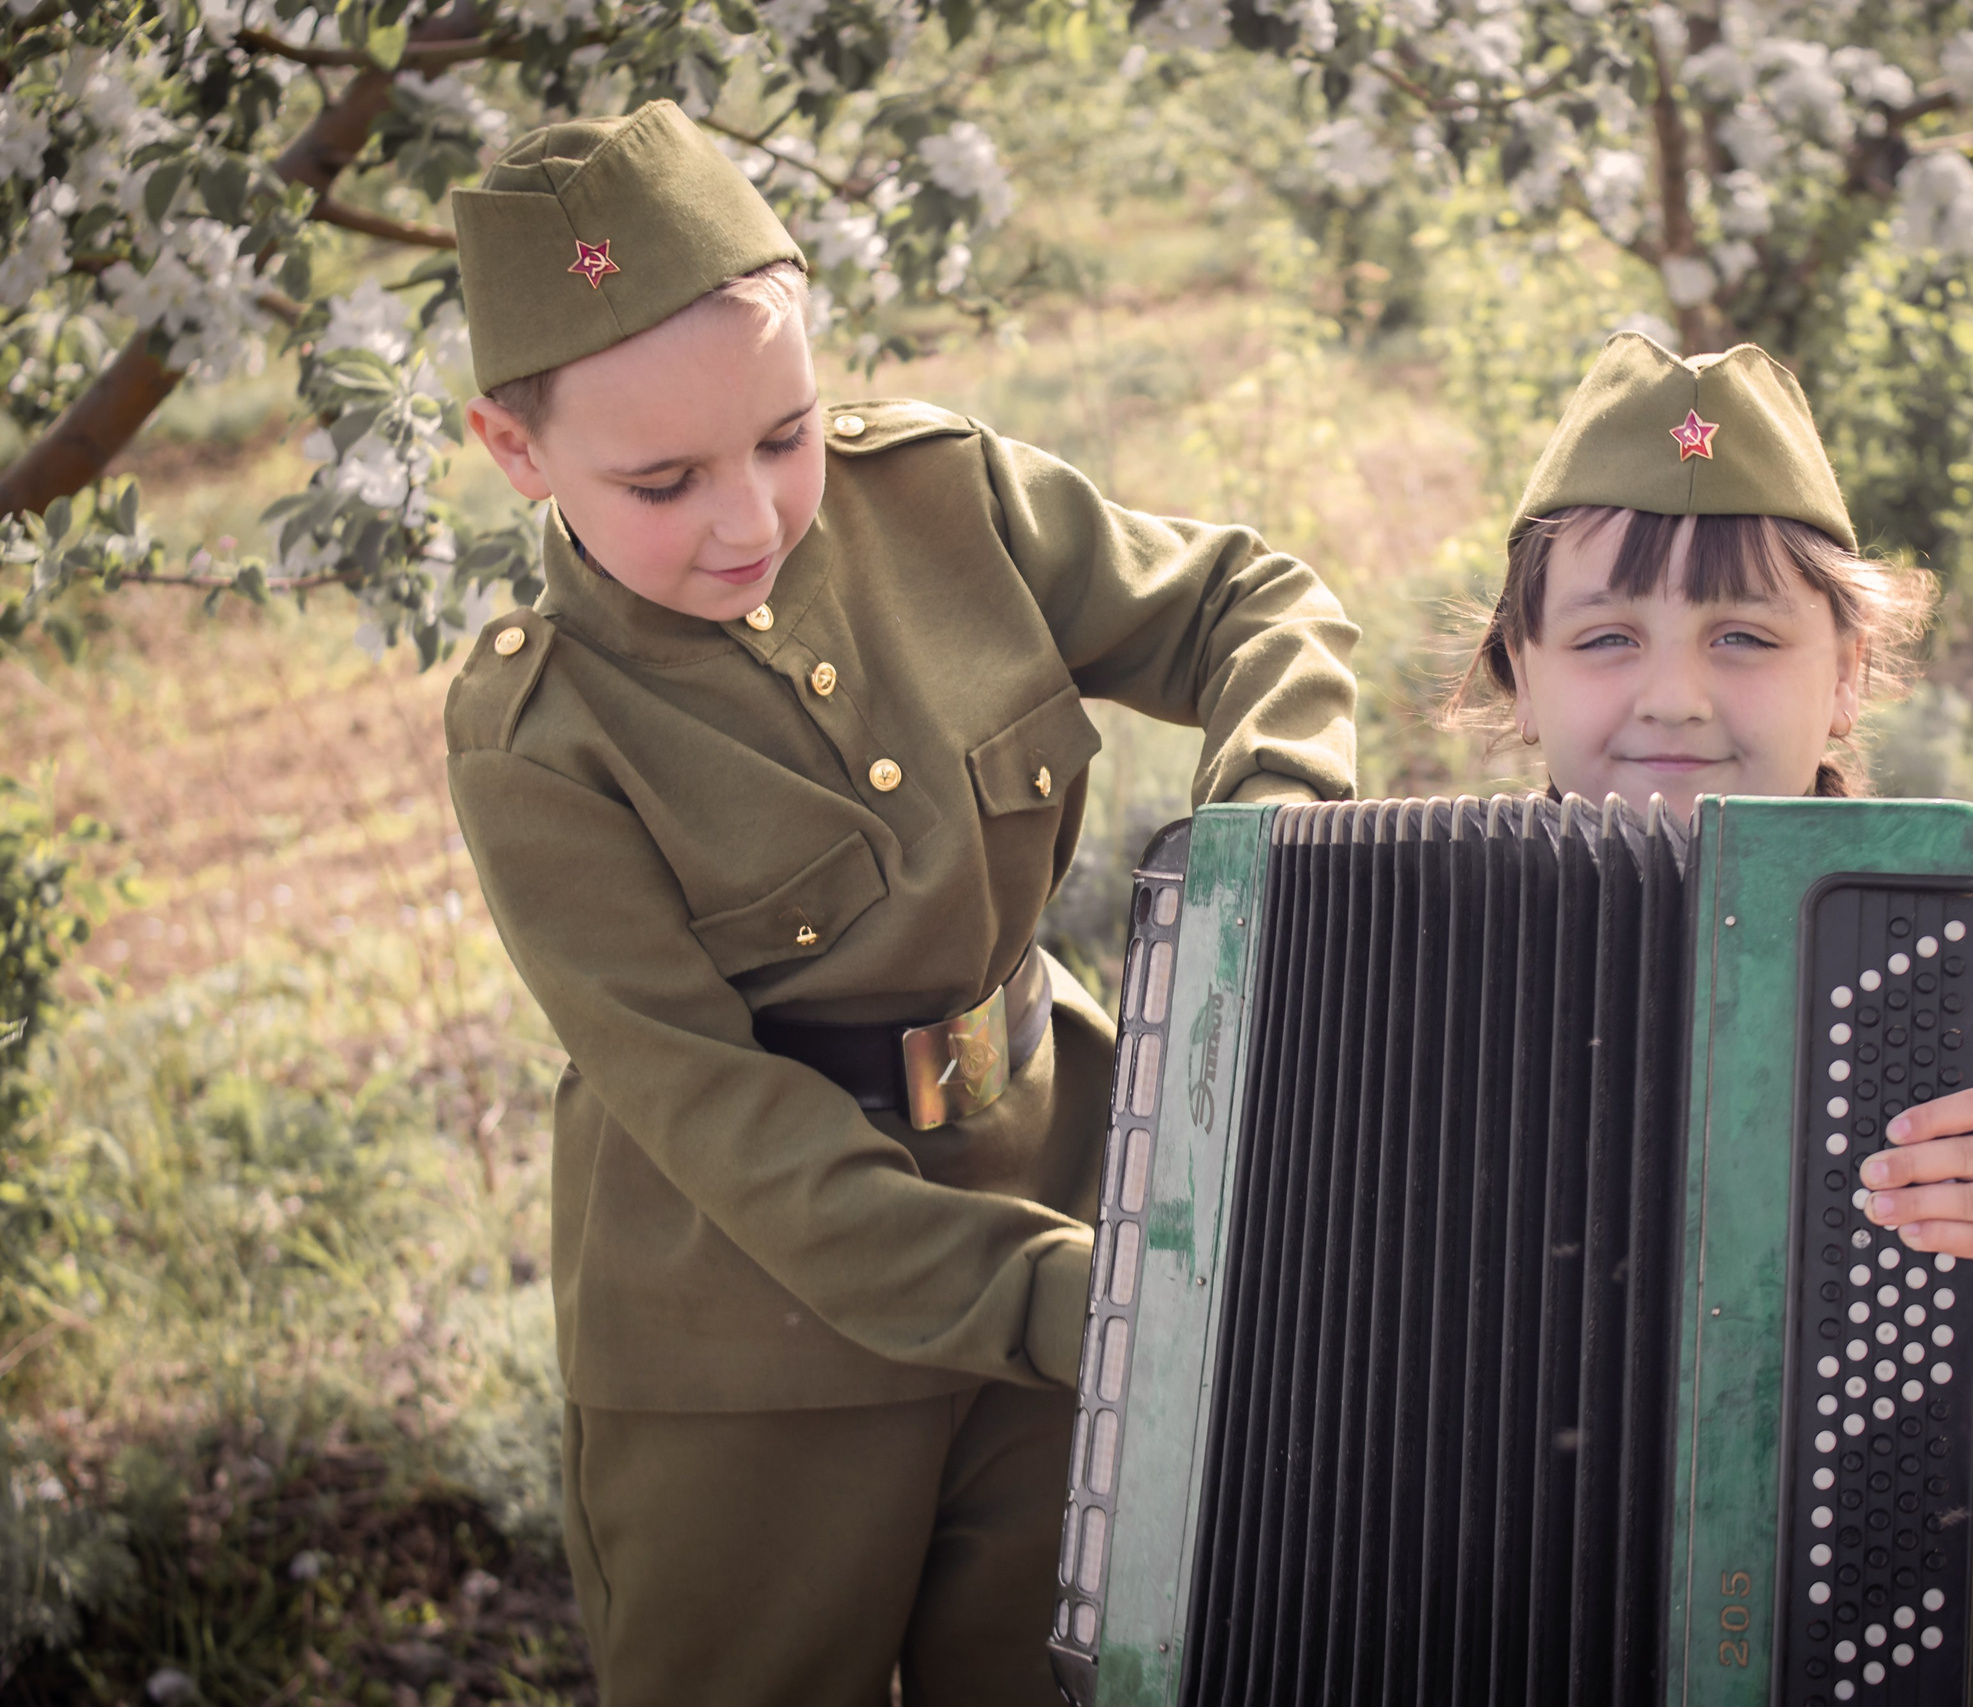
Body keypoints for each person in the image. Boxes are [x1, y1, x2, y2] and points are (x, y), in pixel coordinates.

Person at [439, 101, 1359, 1706]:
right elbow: (723, 1118)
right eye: (661, 480)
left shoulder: (945, 497)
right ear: (514, 452)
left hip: (1067, 1199)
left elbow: (1247, 605)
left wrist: (1269, 845)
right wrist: (1081, 1304)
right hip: (758, 1346)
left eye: (784, 435)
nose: (750, 520)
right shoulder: (543, 741)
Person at [1447, 331, 1973, 1703]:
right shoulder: (1428, 928)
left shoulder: (1949, 911)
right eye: (1608, 638)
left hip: (1922, 1574)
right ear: (1520, 674)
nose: (1674, 694)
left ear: (1848, 672)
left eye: (1746, 637)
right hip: (1511, 1585)